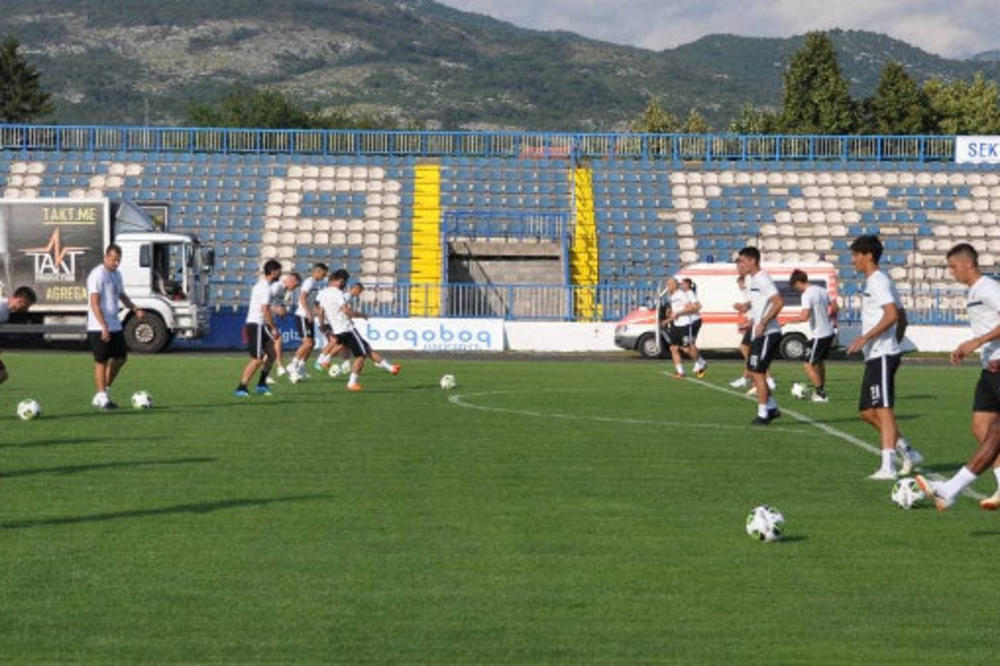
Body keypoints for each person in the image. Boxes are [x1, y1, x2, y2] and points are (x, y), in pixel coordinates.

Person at [916, 243, 1000, 510]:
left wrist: (977, 341)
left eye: (953, 267)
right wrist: (971, 347)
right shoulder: (976, 291)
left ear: (967, 264)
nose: (952, 273)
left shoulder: (988, 287)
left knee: (997, 432)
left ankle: (951, 488)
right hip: (990, 369)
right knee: (981, 427)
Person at [844, 235, 923, 479]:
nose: (854, 260)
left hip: (882, 354)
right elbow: (901, 316)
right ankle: (908, 451)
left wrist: (867, 339)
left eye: (857, 255)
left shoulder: (878, 281)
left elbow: (891, 315)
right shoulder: (877, 282)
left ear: (868, 255)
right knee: (867, 412)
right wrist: (893, 343)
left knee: (884, 409)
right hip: (878, 354)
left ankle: (888, 467)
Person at [87, 244, 145, 410]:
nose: (116, 263)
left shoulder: (117, 274)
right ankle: (103, 397)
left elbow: (121, 294)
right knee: (101, 361)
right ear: (106, 257)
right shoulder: (97, 275)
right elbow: (94, 303)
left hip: (115, 324)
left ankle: (102, 392)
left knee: (121, 358)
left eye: (118, 260)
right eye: (113, 260)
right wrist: (103, 326)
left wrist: (134, 309)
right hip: (98, 326)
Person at [735, 246, 783, 425]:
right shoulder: (754, 280)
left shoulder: (762, 278)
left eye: (742, 260)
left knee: (757, 372)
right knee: (755, 372)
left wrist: (763, 322)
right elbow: (761, 304)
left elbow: (778, 302)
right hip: (760, 333)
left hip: (769, 333)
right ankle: (771, 408)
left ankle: (763, 414)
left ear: (752, 260)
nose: (740, 264)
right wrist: (751, 319)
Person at [315, 269, 372, 391]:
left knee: (339, 346)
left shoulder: (324, 293)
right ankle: (352, 383)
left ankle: (325, 359)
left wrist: (322, 324)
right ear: (341, 281)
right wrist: (362, 315)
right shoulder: (338, 293)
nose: (344, 285)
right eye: (344, 282)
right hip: (347, 328)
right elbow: (346, 311)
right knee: (361, 355)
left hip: (336, 328)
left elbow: (320, 311)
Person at [234, 260, 283, 397]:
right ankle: (241, 387)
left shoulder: (262, 286)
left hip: (259, 324)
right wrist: (273, 327)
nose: (280, 273)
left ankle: (261, 384)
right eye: (279, 271)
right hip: (257, 324)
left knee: (272, 354)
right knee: (257, 359)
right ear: (273, 272)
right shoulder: (265, 288)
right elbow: (265, 309)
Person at [788, 269, 838, 403]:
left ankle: (821, 394)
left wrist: (788, 321)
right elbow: (835, 306)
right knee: (819, 362)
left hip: (819, 333)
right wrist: (830, 317)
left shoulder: (807, 294)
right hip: (828, 331)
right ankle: (821, 389)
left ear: (798, 282)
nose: (796, 289)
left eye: (795, 286)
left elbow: (804, 316)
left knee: (807, 363)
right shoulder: (821, 290)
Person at [729, 275, 777, 394]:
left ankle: (763, 379)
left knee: (751, 352)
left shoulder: (754, 290)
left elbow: (761, 309)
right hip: (755, 324)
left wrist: (748, 319)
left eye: (741, 283)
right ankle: (750, 377)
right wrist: (743, 308)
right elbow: (752, 309)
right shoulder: (749, 293)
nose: (740, 286)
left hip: (760, 325)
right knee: (749, 352)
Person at [286, 263, 328, 379]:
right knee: (308, 343)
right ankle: (293, 364)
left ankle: (301, 366)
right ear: (318, 271)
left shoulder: (316, 283)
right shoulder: (309, 282)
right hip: (302, 316)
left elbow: (312, 301)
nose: (325, 276)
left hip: (308, 316)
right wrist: (308, 312)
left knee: (312, 343)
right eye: (324, 273)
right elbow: (302, 297)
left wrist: (317, 311)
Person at [663, 277, 706, 378]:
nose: (667, 286)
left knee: (686, 349)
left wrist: (678, 313)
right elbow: (675, 312)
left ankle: (701, 362)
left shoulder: (681, 294)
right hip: (676, 325)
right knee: (673, 348)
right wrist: (668, 319)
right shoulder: (672, 296)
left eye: (669, 284)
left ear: (674, 285)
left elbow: (690, 308)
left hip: (685, 324)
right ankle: (680, 372)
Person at [265, 271, 301, 383]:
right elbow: (264, 303)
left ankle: (266, 375)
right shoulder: (277, 287)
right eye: (295, 285)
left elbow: (276, 305)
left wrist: (282, 312)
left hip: (269, 319)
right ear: (291, 280)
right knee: (277, 340)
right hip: (262, 319)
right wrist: (276, 309)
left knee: (270, 348)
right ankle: (280, 366)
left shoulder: (283, 290)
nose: (294, 288)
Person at [0, 286, 37, 388]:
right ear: (21, 300)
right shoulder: (1, 308)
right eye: (27, 305)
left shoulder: (5, 312)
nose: (27, 309)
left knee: (2, 375)